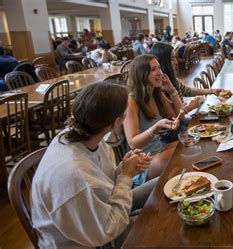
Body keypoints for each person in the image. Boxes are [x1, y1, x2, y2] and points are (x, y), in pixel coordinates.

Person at [31, 82, 154, 248]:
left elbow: (102, 180)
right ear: (116, 122)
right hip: (92, 240)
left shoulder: (82, 136)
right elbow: (107, 231)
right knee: (159, 224)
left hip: (103, 209)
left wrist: (125, 167)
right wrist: (125, 176)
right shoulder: (73, 174)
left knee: (162, 185)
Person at [123, 54, 183, 186]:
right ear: (141, 74)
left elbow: (178, 114)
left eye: (159, 68)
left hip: (159, 150)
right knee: (186, 153)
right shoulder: (131, 100)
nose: (159, 72)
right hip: (143, 164)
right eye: (153, 69)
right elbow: (133, 143)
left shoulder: (156, 94)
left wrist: (171, 89)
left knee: (190, 144)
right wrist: (156, 127)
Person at [150, 42, 223, 113]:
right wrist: (190, 106)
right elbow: (175, 116)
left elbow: (187, 90)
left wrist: (211, 91)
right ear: (162, 62)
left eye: (175, 58)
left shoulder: (169, 79)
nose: (176, 62)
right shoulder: (160, 87)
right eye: (172, 59)